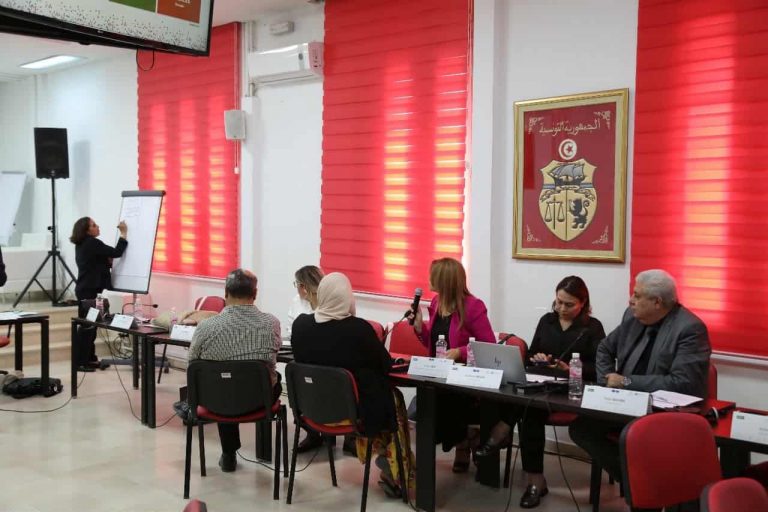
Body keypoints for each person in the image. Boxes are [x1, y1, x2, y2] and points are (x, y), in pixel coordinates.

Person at [569, 269, 711, 484]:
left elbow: (684, 383)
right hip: (626, 403)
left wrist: (626, 382)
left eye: (637, 295)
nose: (631, 300)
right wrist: (606, 380)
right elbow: (605, 348)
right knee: (581, 428)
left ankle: (642, 485)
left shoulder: (689, 329)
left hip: (662, 410)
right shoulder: (632, 316)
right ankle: (638, 482)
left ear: (657, 302)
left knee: (633, 437)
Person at [475, 276, 605, 507]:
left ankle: (502, 433)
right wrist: (538, 357)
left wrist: (571, 368)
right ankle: (535, 480)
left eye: (569, 304)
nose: (561, 309)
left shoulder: (592, 328)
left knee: (530, 410)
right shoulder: (547, 321)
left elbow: (599, 369)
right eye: (558, 302)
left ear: (583, 303)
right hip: (542, 383)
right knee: (527, 405)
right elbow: (531, 354)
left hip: (572, 390)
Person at [291, 272, 415, 499]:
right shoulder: (358, 330)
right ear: (347, 298)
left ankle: (389, 465)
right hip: (352, 415)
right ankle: (397, 472)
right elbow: (385, 365)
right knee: (392, 399)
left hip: (311, 411)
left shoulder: (300, 326)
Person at [188, 268, 281, 473]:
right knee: (248, 379)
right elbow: (274, 354)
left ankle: (228, 453)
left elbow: (192, 362)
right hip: (259, 399)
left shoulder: (206, 326)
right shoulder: (271, 323)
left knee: (224, 381)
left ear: (225, 293)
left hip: (216, 400)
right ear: (255, 294)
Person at [408, 257, 495, 473]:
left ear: (444, 280)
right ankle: (465, 439)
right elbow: (434, 343)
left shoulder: (473, 306)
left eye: (433, 276)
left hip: (463, 378)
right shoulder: (436, 303)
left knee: (443, 404)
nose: (428, 279)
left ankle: (464, 442)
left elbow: (489, 345)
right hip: (439, 374)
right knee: (425, 404)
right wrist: (419, 328)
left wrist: (460, 352)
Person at [70, 216, 128, 370]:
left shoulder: (84, 244)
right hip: (89, 291)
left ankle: (89, 358)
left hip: (87, 289)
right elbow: (116, 252)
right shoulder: (92, 242)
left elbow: (96, 263)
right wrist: (123, 234)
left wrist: (106, 262)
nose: (98, 227)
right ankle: (81, 362)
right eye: (94, 225)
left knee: (91, 327)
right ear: (86, 230)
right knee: (87, 328)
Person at [286, 265, 327, 453]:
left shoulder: (329, 299)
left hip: (325, 356)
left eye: (297, 284)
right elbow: (290, 328)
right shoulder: (297, 301)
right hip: (302, 352)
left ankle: (346, 436)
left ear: (303, 286)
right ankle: (311, 432)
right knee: (296, 376)